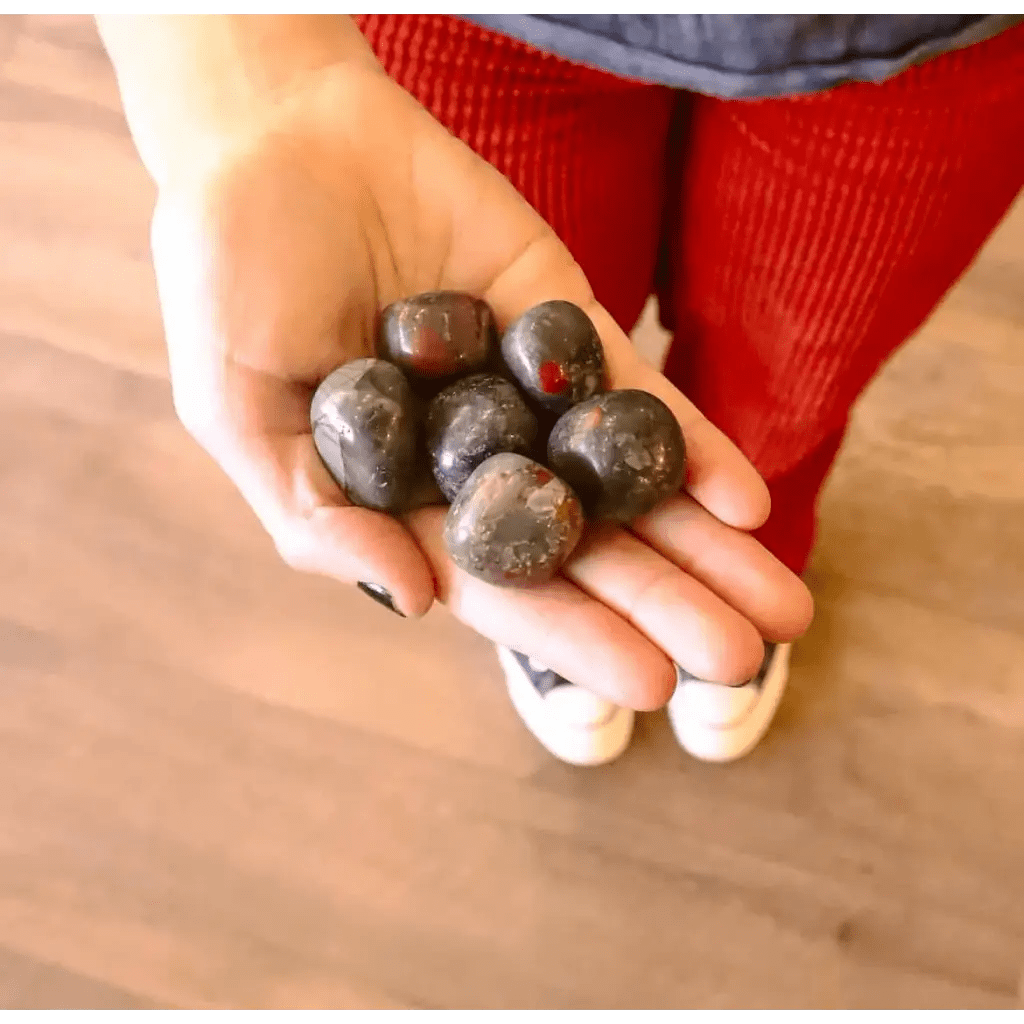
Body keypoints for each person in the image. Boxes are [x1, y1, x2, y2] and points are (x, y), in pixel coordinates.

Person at [96, 14, 1024, 766]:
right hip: (469, 26)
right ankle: (592, 602)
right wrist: (242, 83)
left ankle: (752, 551)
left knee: (790, 377)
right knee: (548, 287)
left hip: (924, 44)